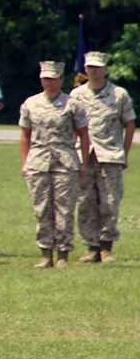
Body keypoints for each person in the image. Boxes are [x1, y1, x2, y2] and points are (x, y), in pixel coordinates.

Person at [19, 61, 91, 269]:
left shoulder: (72, 104)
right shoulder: (30, 103)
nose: (48, 82)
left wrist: (84, 162)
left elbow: (84, 135)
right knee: (41, 209)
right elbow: (25, 136)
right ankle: (45, 253)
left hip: (65, 162)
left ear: (61, 80)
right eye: (45, 78)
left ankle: (62, 254)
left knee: (65, 209)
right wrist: (25, 163)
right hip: (38, 162)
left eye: (53, 78)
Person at [68, 51, 134, 263]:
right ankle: (91, 246)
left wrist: (124, 152)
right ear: (85, 69)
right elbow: (70, 125)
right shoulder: (76, 95)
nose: (93, 70)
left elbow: (129, 124)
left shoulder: (119, 94)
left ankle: (106, 247)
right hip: (83, 155)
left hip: (110, 154)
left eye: (97, 66)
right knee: (85, 201)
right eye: (89, 67)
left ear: (105, 68)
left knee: (110, 201)